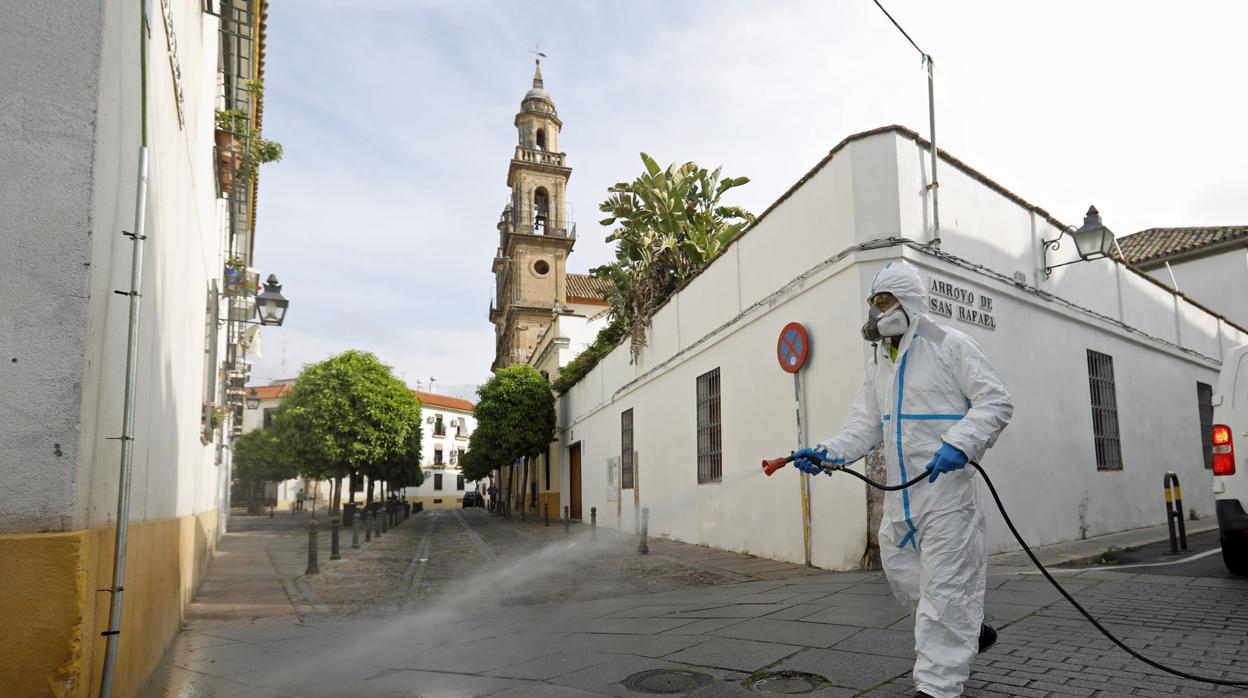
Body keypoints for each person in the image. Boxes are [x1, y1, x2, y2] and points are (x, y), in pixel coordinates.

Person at [792, 261, 1012, 698]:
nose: (875, 313)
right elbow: (864, 426)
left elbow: (995, 402)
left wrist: (961, 442)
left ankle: (937, 687)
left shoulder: (950, 345)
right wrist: (827, 454)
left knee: (945, 591)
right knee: (904, 578)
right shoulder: (880, 362)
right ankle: (970, 629)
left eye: (882, 301)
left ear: (907, 301)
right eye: (872, 303)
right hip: (901, 500)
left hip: (947, 494)